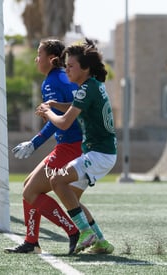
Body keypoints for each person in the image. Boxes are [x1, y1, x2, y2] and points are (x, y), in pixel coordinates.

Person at [4, 38, 108, 255]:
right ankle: (33, 241)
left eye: (38, 54)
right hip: (76, 145)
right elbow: (68, 111)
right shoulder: (65, 78)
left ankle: (73, 231)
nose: (35, 59)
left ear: (51, 60)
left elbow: (60, 119)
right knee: (32, 187)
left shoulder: (52, 81)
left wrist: (35, 142)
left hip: (71, 147)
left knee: (31, 191)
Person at [36, 38, 116, 254]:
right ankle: (100, 241)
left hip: (100, 154)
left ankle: (84, 232)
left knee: (56, 180)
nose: (67, 70)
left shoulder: (84, 89)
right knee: (70, 195)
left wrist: (47, 112)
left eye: (71, 66)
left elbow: (64, 122)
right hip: (102, 152)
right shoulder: (91, 86)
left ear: (86, 68)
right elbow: (74, 107)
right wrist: (54, 104)